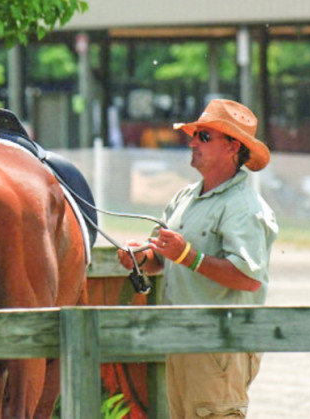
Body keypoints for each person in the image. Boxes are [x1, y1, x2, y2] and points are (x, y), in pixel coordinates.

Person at [117, 99, 278, 418]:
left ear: (233, 147)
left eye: (203, 136)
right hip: (182, 339)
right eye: (194, 135)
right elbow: (163, 257)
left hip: (220, 346)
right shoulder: (186, 197)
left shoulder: (245, 207)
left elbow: (248, 278)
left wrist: (188, 256)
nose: (192, 142)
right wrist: (140, 257)